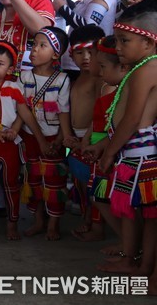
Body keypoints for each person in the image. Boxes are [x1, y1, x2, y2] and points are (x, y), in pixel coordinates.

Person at [97, 0, 157, 284]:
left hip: (140, 154)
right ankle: (134, 259)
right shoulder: (140, 68)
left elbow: (132, 120)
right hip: (133, 155)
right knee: (135, 212)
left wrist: (109, 152)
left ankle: (143, 266)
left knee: (148, 216)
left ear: (148, 43)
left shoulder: (148, 69)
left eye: (124, 41)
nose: (117, 48)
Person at [0, 41, 49, 240]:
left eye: (0, 63)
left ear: (10, 68)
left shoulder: (14, 88)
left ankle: (11, 225)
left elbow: (26, 115)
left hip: (9, 145)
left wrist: (39, 139)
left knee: (11, 185)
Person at [19, 27, 72, 241]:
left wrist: (61, 139)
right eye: (33, 45)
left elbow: (64, 112)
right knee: (33, 180)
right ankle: (39, 220)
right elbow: (21, 110)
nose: (34, 50)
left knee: (54, 182)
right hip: (30, 137)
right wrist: (39, 139)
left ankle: (53, 223)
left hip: (53, 139)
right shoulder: (23, 77)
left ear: (56, 54)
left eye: (42, 46)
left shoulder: (62, 80)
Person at [77, 36, 126, 246]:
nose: (91, 60)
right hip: (101, 147)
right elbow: (98, 120)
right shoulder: (107, 84)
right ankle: (129, 245)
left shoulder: (119, 89)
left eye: (98, 60)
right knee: (98, 194)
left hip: (114, 152)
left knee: (110, 198)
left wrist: (104, 148)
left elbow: (120, 126)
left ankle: (131, 246)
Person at [63, 26, 105, 237]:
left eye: (91, 51)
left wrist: (86, 140)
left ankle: (97, 227)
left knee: (95, 187)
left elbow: (100, 113)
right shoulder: (76, 79)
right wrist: (69, 135)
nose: (86, 57)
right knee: (81, 185)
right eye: (80, 52)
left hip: (92, 140)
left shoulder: (100, 79)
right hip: (77, 140)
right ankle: (87, 219)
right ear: (72, 54)